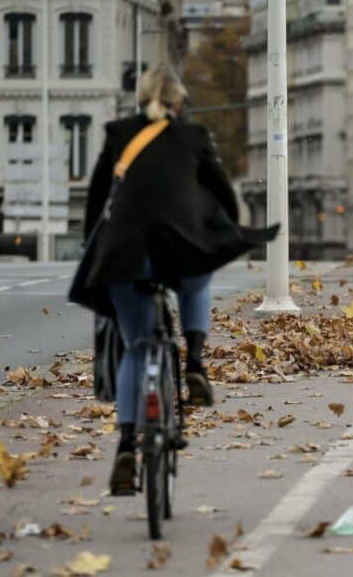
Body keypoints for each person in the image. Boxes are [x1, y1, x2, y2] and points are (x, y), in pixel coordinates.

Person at [69, 65, 277, 494]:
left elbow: (94, 207)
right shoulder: (194, 137)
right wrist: (215, 224)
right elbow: (224, 195)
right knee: (198, 278)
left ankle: (127, 447)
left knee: (136, 347)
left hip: (125, 257)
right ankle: (196, 362)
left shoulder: (117, 134)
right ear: (179, 102)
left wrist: (97, 251)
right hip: (180, 248)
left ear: (140, 99)